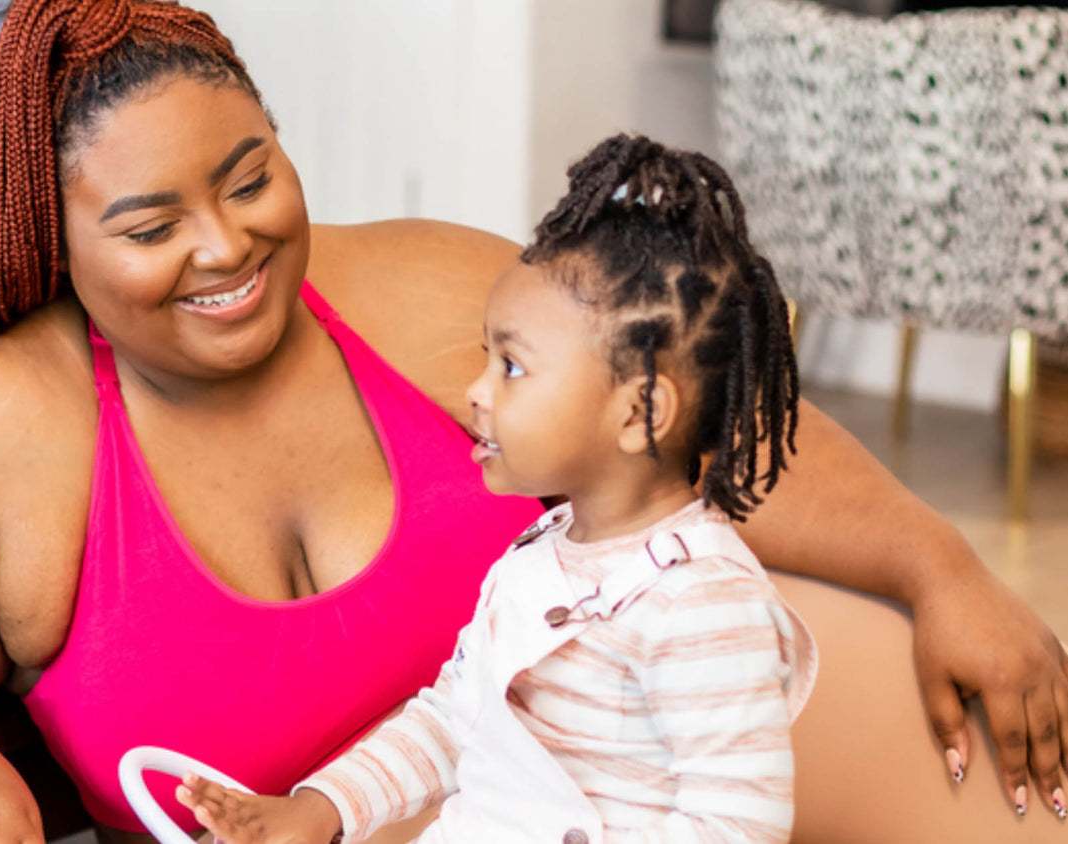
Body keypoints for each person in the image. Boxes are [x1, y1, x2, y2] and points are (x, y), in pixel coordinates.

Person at [0, 1, 1068, 843]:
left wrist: (945, 570)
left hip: (682, 769)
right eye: (149, 221)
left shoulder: (427, 288)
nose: (226, 247)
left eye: (248, 176)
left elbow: (682, 417)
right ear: (49, 234)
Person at [177, 133, 821, 844]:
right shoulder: (540, 553)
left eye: (512, 368)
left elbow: (738, 825)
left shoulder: (702, 601)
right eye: (487, 358)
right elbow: (456, 721)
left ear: (639, 412)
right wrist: (317, 810)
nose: (476, 392)